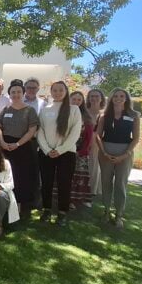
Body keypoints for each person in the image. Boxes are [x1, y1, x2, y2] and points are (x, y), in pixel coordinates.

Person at [37, 81, 82, 226]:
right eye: (54, 90)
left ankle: (62, 213)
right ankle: (46, 210)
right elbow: (40, 131)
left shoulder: (74, 109)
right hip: (47, 153)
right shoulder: (45, 109)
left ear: (66, 91)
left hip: (66, 153)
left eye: (60, 90)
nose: (57, 93)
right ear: (51, 91)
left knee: (64, 183)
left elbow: (75, 133)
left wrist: (60, 150)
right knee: (46, 183)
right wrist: (47, 149)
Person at [0, 80, 39, 219]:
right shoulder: (5, 109)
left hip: (23, 147)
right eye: (13, 92)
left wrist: (18, 144)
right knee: (6, 174)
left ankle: (20, 204)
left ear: (23, 93)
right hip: (6, 146)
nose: (16, 94)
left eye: (19, 92)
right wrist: (2, 142)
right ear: (9, 94)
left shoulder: (29, 110)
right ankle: (4, 201)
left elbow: (32, 130)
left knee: (21, 176)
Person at [96, 88, 140, 229]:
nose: (118, 98)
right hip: (106, 151)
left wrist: (125, 155)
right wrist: (104, 152)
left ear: (126, 98)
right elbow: (98, 135)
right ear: (111, 98)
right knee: (106, 182)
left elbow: (136, 138)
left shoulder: (134, 115)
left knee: (120, 184)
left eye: (121, 96)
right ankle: (107, 211)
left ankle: (119, 214)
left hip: (125, 151)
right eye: (115, 96)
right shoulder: (104, 115)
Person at [70, 91, 96, 208]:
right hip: (66, 150)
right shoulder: (65, 114)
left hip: (81, 152)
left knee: (80, 176)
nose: (76, 101)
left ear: (82, 101)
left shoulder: (86, 117)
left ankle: (81, 199)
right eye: (74, 99)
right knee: (68, 175)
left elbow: (89, 137)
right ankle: (69, 200)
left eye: (79, 100)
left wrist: (81, 151)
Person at [86, 89, 106, 198]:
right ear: (88, 98)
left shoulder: (105, 113)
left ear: (101, 98)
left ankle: (92, 190)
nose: (94, 98)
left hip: (98, 142)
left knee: (95, 166)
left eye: (97, 96)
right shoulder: (84, 111)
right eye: (91, 96)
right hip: (85, 141)